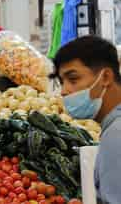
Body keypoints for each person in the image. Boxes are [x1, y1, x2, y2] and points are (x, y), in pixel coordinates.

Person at [51, 36, 121, 203]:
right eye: (62, 82)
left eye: (73, 79)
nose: (64, 91)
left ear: (105, 77)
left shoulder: (116, 135)